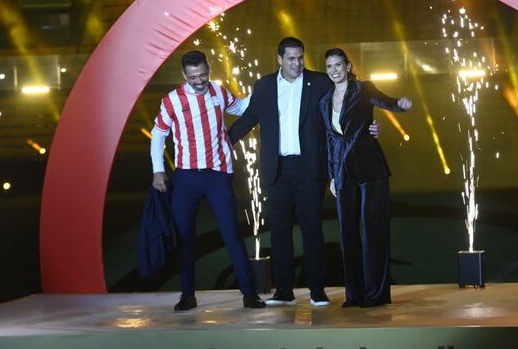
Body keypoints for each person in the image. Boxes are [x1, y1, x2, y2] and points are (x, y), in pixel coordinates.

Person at [229, 37, 380, 307]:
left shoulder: (320, 82)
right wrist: (219, 145)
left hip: (310, 168)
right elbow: (249, 119)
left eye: (300, 57)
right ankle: (284, 292)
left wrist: (368, 126)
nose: (297, 63)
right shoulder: (264, 86)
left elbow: (348, 101)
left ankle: (317, 291)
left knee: (312, 229)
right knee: (279, 231)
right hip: (276, 169)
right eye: (291, 59)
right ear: (279, 60)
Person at [150, 50, 266, 311]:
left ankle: (249, 293)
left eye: (203, 75)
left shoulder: (218, 91)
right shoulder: (172, 100)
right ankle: (187, 295)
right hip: (186, 178)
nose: (199, 81)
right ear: (184, 75)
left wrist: (264, 91)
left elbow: (239, 107)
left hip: (217, 176)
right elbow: (158, 134)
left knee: (232, 235)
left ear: (209, 70)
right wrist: (158, 170)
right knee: (185, 237)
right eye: (193, 77)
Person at [319, 48, 412, 307]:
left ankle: (376, 294)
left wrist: (399, 106)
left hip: (370, 169)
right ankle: (354, 295)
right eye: (330, 66)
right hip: (342, 174)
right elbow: (330, 141)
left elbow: (386, 101)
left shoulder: (363, 89)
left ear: (348, 66)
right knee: (347, 234)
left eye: (339, 65)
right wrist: (332, 176)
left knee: (373, 231)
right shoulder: (324, 101)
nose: (334, 70)